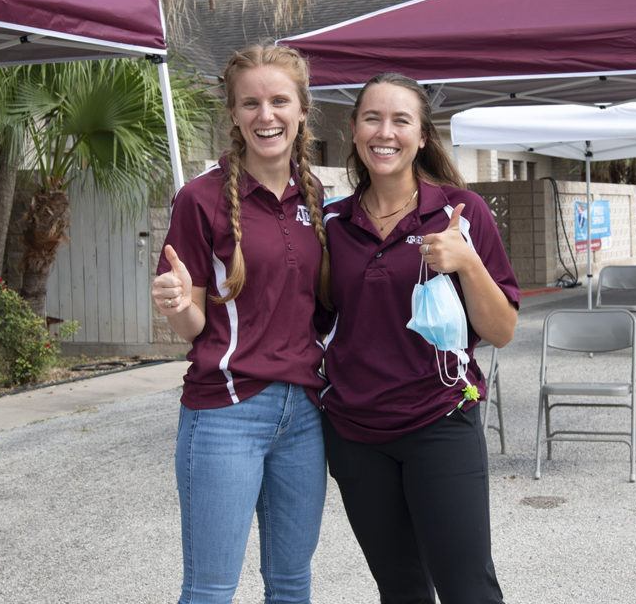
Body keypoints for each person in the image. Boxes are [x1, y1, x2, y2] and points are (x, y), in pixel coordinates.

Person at [319, 72, 520, 604]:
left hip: (440, 422)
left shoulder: (461, 213)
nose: (386, 132)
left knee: (467, 589)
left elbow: (501, 331)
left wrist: (467, 263)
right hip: (356, 434)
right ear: (355, 131)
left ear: (422, 136)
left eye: (401, 120)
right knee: (401, 589)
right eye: (372, 118)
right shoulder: (331, 224)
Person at [151, 44, 331, 604]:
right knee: (210, 589)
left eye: (279, 100)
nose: (265, 115)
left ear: (302, 109)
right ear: (233, 114)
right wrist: (177, 301)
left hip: (305, 414)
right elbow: (192, 325)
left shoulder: (320, 198)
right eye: (250, 103)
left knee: (291, 584)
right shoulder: (199, 199)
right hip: (226, 413)